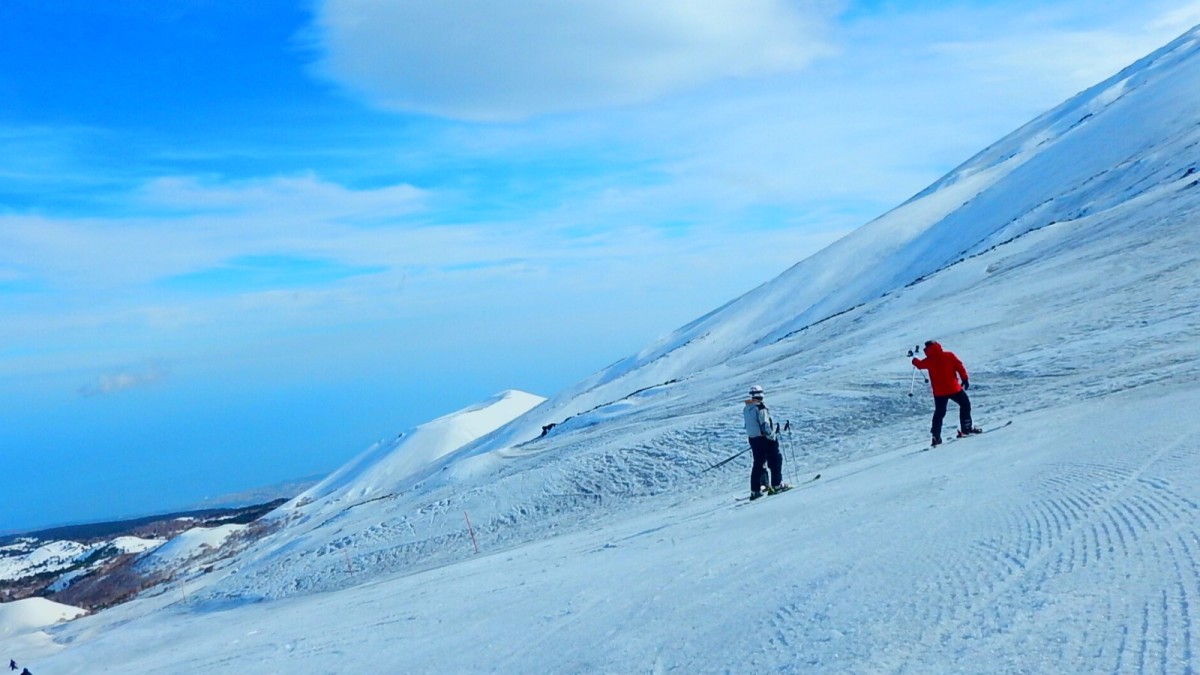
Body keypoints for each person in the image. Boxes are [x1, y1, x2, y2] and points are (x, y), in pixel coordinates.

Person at [911, 340, 981, 446]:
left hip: (939, 392)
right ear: (937, 346)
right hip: (953, 388)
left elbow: (919, 365)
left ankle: (936, 436)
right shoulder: (949, 355)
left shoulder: (929, 360)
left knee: (939, 413)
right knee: (965, 404)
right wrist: (965, 379)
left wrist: (914, 360)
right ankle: (966, 428)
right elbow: (959, 366)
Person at [743, 385, 787, 499]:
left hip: (753, 439)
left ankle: (755, 490)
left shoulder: (747, 408)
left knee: (758, 463)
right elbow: (765, 425)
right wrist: (772, 435)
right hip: (764, 439)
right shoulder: (760, 407)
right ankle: (777, 485)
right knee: (775, 460)